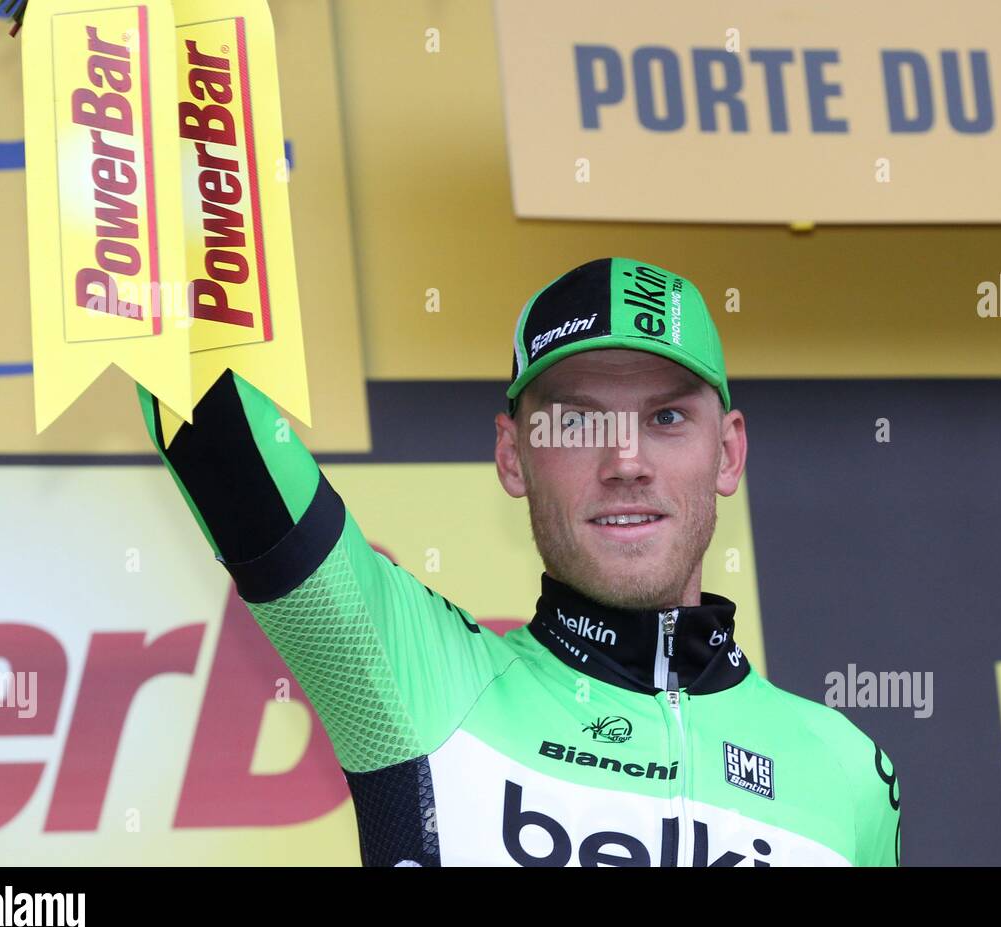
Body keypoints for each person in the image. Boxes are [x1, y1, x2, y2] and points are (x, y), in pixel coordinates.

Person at [138, 256, 901, 866]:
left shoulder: (845, 775)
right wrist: (112, 99)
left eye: (666, 417)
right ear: (513, 455)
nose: (625, 461)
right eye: (575, 421)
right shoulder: (423, 688)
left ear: (727, 451)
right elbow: (219, 434)